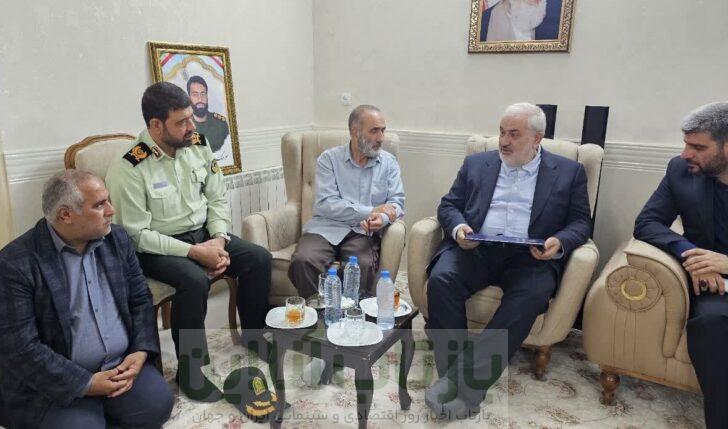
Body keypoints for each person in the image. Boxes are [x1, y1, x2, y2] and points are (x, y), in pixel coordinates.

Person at [105, 82, 271, 402]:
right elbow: (136, 235)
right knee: (194, 280)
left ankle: (254, 336)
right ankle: (191, 372)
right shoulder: (129, 167)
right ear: (156, 125)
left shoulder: (197, 144)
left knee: (258, 258)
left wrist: (219, 240)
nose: (191, 126)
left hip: (204, 234)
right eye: (181, 121)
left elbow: (217, 197)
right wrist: (196, 253)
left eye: (190, 118)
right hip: (155, 247)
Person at [424, 102, 591, 418]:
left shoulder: (569, 172)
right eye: (501, 132)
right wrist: (459, 229)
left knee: (530, 296)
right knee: (442, 278)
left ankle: (466, 386)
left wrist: (559, 242)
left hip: (530, 258)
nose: (503, 141)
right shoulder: (477, 163)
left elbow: (581, 222)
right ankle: (451, 375)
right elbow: (449, 206)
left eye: (514, 134)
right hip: (477, 249)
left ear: (537, 138)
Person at [0, 170, 173, 429]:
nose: (111, 210)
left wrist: (140, 350)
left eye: (108, 201)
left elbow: (140, 299)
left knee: (158, 405)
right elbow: (18, 348)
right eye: (100, 205)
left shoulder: (117, 239)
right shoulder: (12, 265)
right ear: (65, 215)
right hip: (54, 382)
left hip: (118, 365)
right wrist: (86, 383)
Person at [634, 102, 728, 429]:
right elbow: (647, 222)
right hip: (716, 289)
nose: (686, 153)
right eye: (686, 144)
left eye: (698, 147)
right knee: (710, 323)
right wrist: (693, 254)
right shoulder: (681, 171)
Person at [287, 104, 405, 298]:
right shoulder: (329, 160)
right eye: (374, 131)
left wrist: (382, 219)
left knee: (361, 265)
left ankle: (351, 313)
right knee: (303, 260)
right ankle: (320, 312)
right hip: (326, 227)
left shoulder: (388, 162)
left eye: (383, 130)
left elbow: (397, 203)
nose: (381, 138)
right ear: (355, 132)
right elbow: (327, 204)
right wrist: (371, 210)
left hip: (363, 232)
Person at [187, 75, 230, 153]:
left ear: (207, 96)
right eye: (195, 94)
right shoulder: (184, 128)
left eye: (203, 94)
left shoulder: (221, 124)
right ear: (189, 98)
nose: (200, 99)